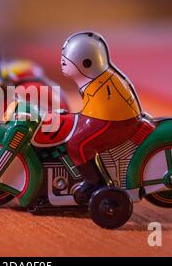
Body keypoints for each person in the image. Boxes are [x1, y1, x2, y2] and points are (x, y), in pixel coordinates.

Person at [60, 31, 144, 204]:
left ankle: (93, 182)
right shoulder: (94, 79)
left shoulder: (99, 83)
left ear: (86, 63)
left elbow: (101, 114)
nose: (61, 65)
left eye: (65, 62)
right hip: (106, 117)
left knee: (77, 144)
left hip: (114, 121)